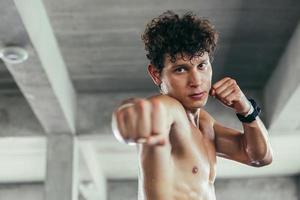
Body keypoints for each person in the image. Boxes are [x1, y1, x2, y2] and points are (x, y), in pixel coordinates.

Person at [111, 10, 273, 200]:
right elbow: (152, 112)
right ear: (156, 74)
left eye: (202, 66)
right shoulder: (169, 109)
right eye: (181, 69)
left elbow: (259, 157)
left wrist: (246, 109)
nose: (196, 80)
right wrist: (130, 115)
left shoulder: (205, 124)